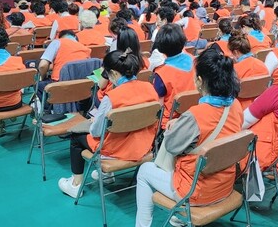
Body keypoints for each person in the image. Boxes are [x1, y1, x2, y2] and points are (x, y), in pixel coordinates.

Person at [135, 47, 242, 227]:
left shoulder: (196, 115)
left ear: (199, 81)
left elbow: (171, 147)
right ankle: (178, 219)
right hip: (225, 185)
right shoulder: (236, 105)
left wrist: (174, 128)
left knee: (145, 171)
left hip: (196, 191)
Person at [58, 49, 159, 198]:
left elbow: (96, 132)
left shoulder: (111, 98)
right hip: (143, 145)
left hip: (118, 150)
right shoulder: (150, 88)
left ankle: (75, 184)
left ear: (115, 74)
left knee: (76, 138)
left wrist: (94, 122)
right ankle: (107, 176)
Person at [151, 24, 196, 129]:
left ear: (160, 47)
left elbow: (158, 106)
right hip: (193, 113)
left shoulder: (161, 73)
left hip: (170, 122)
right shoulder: (195, 60)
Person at [228, 31, 269, 109]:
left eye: (231, 53)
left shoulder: (234, 70)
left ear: (236, 52)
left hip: (240, 108)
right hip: (261, 104)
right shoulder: (262, 64)